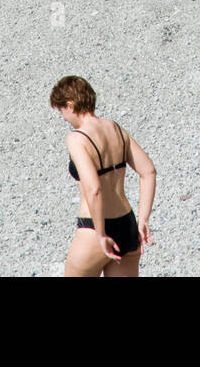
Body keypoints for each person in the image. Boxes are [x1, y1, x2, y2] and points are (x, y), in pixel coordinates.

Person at [50, 75, 156, 279]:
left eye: (61, 111)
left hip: (95, 228)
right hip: (128, 225)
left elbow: (94, 189)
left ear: (70, 105)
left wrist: (100, 234)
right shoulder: (115, 128)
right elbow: (148, 171)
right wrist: (143, 220)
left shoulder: (77, 138)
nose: (64, 118)